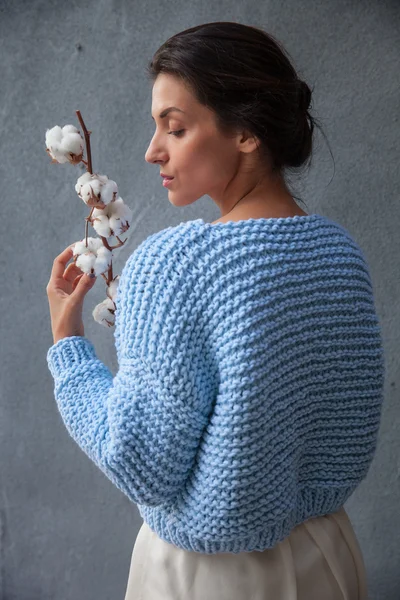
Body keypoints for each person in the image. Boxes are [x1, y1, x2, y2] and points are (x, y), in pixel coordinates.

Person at [46, 22, 385, 600]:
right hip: (329, 559)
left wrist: (67, 344)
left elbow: (140, 463)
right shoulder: (340, 254)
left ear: (247, 130)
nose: (153, 150)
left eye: (174, 128)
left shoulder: (179, 262)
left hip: (209, 576)